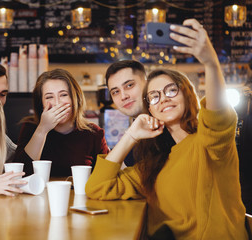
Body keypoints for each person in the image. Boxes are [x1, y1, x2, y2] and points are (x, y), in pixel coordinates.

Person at [86, 19, 248, 239]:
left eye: (171, 90)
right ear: (150, 108)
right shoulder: (155, 162)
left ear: (188, 94)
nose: (163, 99)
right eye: (154, 96)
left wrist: (211, 63)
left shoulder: (209, 143)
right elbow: (97, 188)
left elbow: (217, 116)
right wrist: (132, 134)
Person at [13, 69, 109, 177]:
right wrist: (42, 129)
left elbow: (106, 175)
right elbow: (20, 174)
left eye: (63, 95)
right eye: (49, 97)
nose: (57, 103)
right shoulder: (30, 128)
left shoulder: (94, 133)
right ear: (41, 104)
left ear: (75, 98)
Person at [105, 60, 176, 167]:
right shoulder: (133, 137)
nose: (123, 96)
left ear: (148, 84)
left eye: (129, 85)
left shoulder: (173, 124)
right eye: (115, 92)